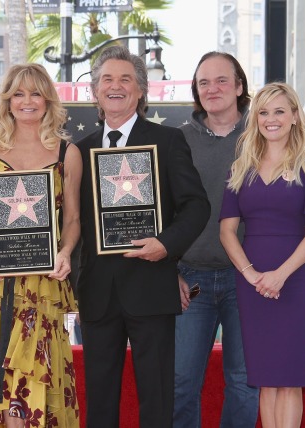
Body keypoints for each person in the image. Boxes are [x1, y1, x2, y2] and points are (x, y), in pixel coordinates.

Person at [77, 45, 210, 427]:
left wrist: (167, 245)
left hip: (152, 286)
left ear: (140, 91)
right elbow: (67, 217)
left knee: (156, 398)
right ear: (95, 92)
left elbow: (196, 205)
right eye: (107, 80)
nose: (115, 86)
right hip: (97, 292)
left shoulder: (167, 142)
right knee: (100, 400)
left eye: (125, 80)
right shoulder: (78, 152)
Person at [0, 63, 81, 427]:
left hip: (43, 286)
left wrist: (64, 253)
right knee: (4, 381)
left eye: (35, 93)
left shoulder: (67, 153)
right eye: (19, 93)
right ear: (7, 101)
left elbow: (73, 220)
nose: (27, 101)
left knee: (35, 377)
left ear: (47, 100)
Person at [219, 82, 305, 427]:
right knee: (265, 379)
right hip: (253, 286)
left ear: (295, 117)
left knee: (291, 381)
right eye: (263, 112)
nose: (271, 119)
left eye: (280, 111)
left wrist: (280, 274)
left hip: (297, 283)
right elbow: (226, 232)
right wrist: (252, 275)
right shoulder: (240, 169)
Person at [173, 51, 258, 428]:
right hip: (190, 278)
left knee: (243, 383)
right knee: (181, 382)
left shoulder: (263, 135)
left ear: (239, 86)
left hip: (249, 278)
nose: (213, 89)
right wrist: (169, 271)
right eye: (204, 82)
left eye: (222, 80)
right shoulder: (177, 141)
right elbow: (163, 212)